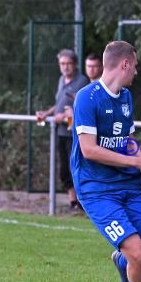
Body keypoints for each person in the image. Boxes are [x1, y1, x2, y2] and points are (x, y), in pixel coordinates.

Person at [70, 40, 141, 282]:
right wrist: (138, 163)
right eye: (134, 65)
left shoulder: (125, 97)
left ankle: (122, 262)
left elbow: (127, 141)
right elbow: (89, 150)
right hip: (97, 190)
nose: (136, 71)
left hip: (128, 186)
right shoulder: (86, 98)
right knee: (137, 251)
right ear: (124, 64)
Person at [37, 49, 89, 212]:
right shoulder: (61, 80)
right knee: (63, 169)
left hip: (75, 132)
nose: (65, 67)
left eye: (68, 64)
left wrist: (70, 114)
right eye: (62, 64)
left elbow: (85, 104)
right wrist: (47, 113)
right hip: (60, 131)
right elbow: (59, 103)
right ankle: (73, 201)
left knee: (77, 167)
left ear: (74, 64)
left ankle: (83, 202)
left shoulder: (82, 81)